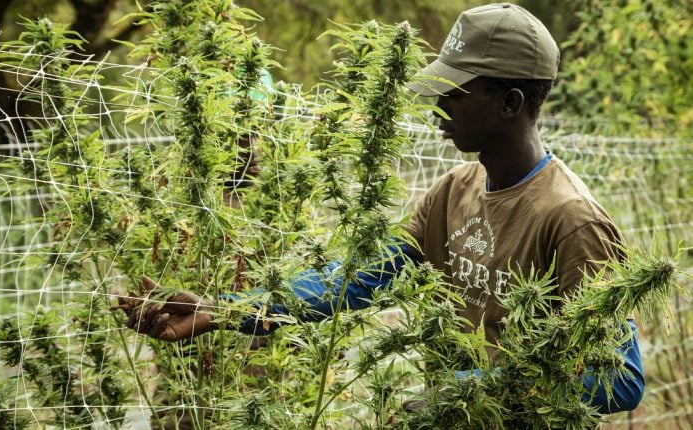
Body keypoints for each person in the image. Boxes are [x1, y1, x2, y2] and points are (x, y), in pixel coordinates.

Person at [120, 2, 644, 414]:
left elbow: (617, 381)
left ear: (509, 103)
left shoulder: (571, 220)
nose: (437, 106)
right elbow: (356, 278)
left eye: (454, 93)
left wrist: (471, 390)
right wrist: (224, 311)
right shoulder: (453, 190)